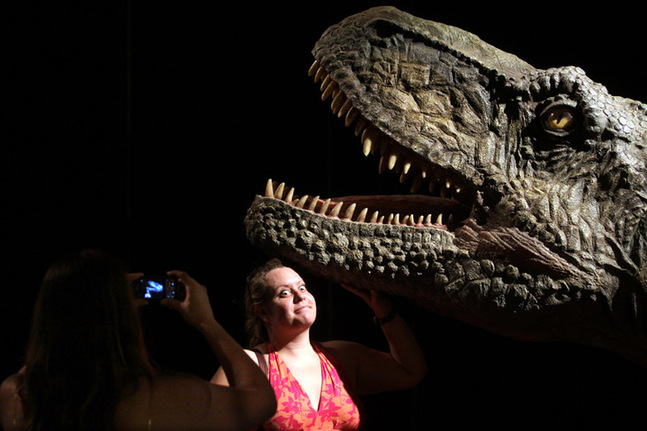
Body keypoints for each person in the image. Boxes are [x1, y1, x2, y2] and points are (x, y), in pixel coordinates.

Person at [0, 249, 276, 431]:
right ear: (122, 321)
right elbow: (260, 402)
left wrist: (93, 298)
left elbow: (55, 351)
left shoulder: (17, 394)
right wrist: (207, 322)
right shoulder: (160, 397)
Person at [211, 258, 427, 430]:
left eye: (303, 287)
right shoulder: (250, 366)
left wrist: (384, 312)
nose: (300, 296)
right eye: (284, 293)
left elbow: (410, 372)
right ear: (264, 312)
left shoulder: (340, 357)